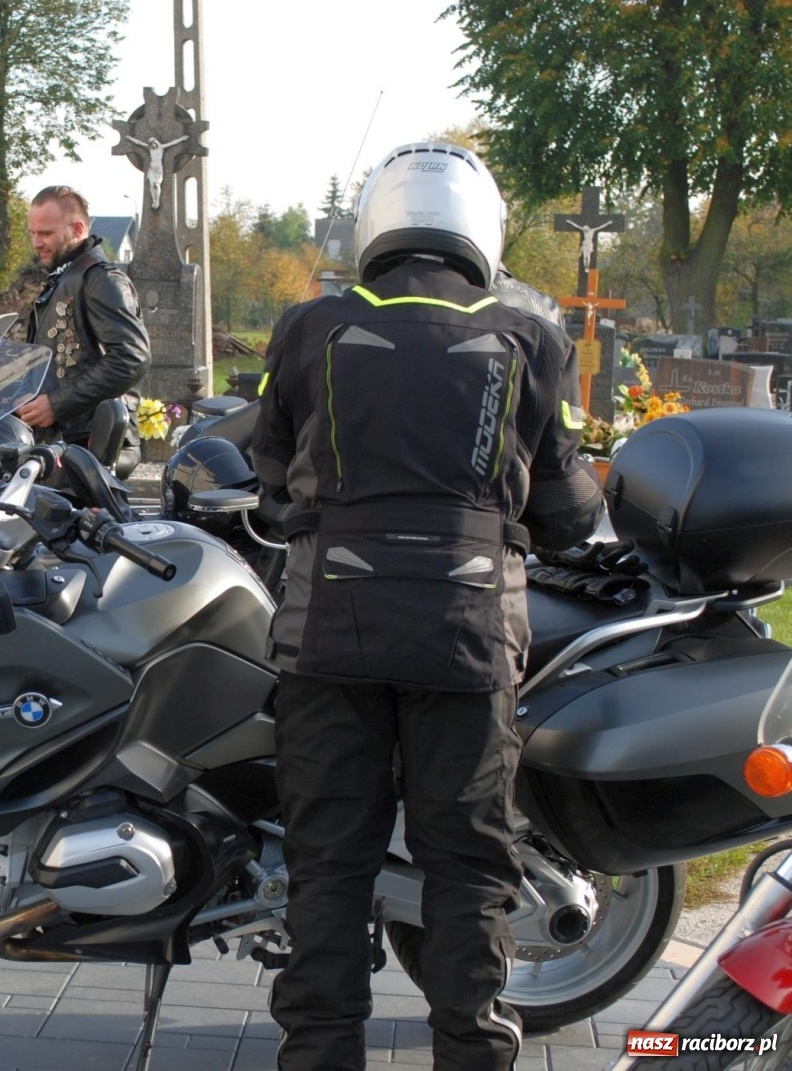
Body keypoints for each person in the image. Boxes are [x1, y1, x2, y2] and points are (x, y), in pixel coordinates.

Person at [248, 141, 603, 1071]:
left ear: (379, 220)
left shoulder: (309, 327)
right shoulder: (531, 338)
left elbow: (270, 475)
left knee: (328, 865)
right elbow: (571, 515)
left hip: (330, 632)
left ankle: (320, 1055)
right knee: (468, 869)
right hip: (469, 637)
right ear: (481, 228)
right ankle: (473, 1052)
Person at [14, 185, 151, 472]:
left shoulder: (101, 280)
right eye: (32, 233)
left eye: (45, 233)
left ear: (77, 229)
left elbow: (131, 357)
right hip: (66, 441)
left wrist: (57, 404)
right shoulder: (64, 277)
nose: (36, 242)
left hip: (95, 445)